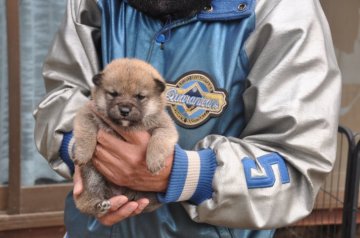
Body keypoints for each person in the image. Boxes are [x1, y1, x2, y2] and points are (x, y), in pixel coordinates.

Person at [33, 0, 341, 237]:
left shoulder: (282, 10)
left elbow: (297, 164)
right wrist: (80, 148)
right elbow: (63, 91)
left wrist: (183, 174)